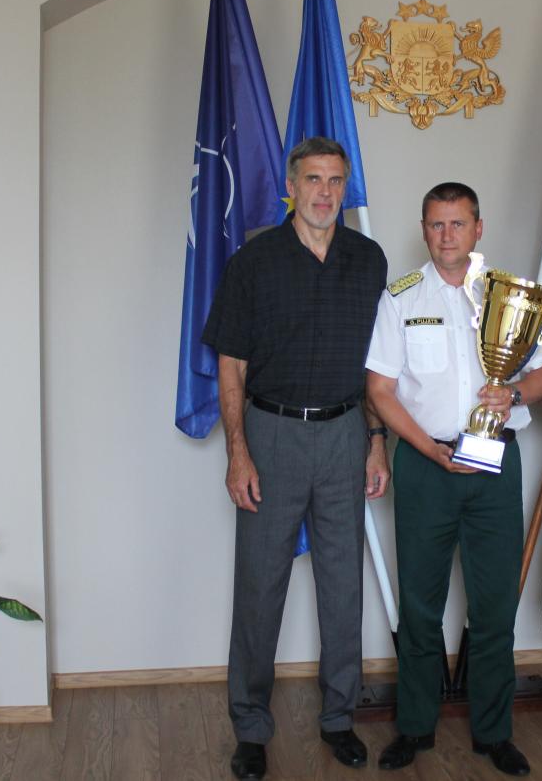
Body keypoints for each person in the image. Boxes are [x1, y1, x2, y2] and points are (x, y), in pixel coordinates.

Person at [202, 137, 390, 780]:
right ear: (291, 185)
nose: (325, 193)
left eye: (336, 181)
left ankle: (340, 717)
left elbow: (376, 366)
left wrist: (374, 441)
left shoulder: (368, 260)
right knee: (260, 587)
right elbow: (231, 363)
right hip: (270, 434)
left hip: (343, 433)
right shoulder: (254, 262)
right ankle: (250, 727)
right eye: (313, 179)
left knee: (344, 585)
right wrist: (237, 452)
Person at [365, 183, 542, 777]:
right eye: (436, 225)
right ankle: (416, 727)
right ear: (424, 230)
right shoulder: (399, 297)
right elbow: (380, 390)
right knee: (420, 607)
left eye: (458, 223)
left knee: (495, 607)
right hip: (425, 466)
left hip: (495, 466)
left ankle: (494, 731)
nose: (447, 235)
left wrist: (516, 391)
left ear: (479, 227)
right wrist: (428, 450)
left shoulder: (511, 296)